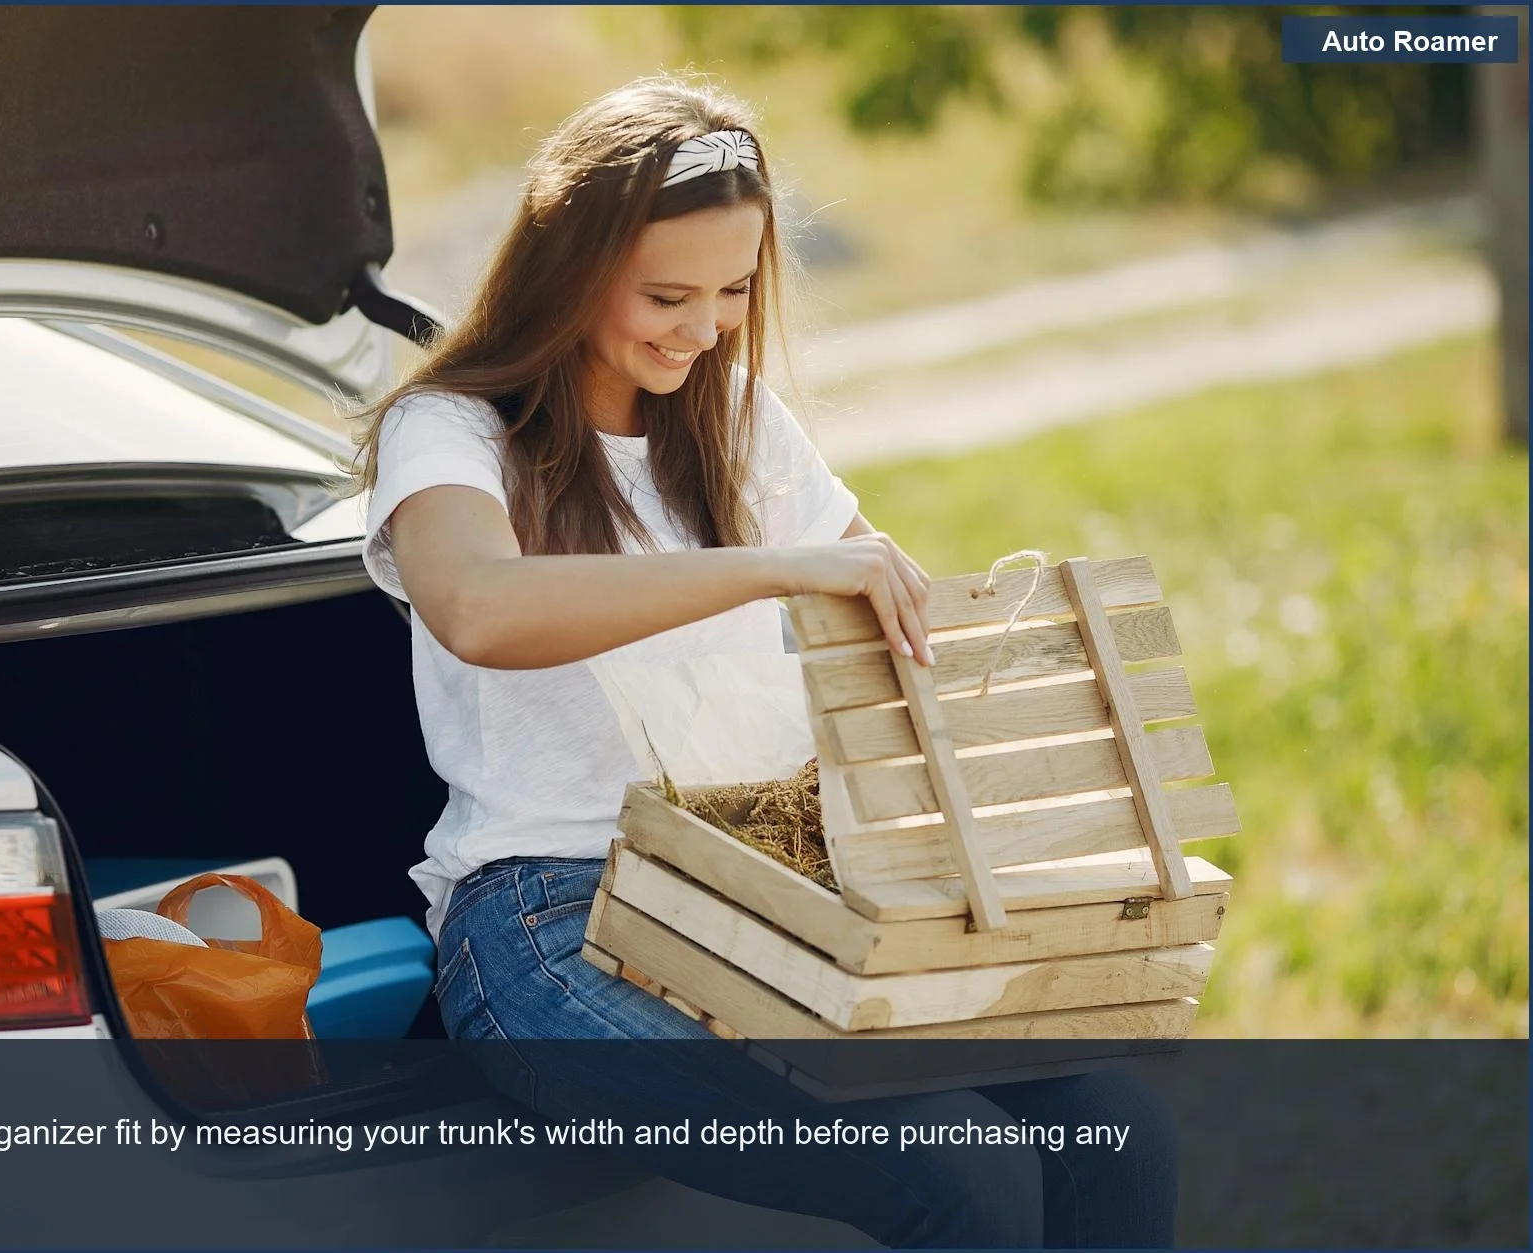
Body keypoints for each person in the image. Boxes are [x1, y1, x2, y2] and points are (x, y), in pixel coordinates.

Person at [355, 76, 1177, 1248]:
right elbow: (477, 607)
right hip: (548, 919)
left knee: (1117, 1127)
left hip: (770, 885)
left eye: (733, 291)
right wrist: (771, 566)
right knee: (951, 1169)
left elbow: (897, 615)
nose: (703, 328)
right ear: (569, 269)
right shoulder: (448, 430)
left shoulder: (731, 418)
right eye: (665, 295)